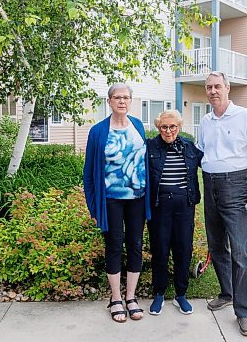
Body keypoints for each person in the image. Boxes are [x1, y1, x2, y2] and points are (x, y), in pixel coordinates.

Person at [197, 71, 247, 336]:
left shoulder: (245, 117)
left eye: (217, 86)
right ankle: (226, 292)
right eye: (208, 87)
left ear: (227, 88)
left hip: (237, 186)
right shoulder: (205, 121)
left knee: (239, 250)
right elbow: (200, 152)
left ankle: (244, 313)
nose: (213, 91)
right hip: (211, 185)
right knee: (216, 245)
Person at [83, 83, 151, 323]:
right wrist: (93, 207)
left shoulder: (138, 126)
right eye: (117, 97)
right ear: (109, 101)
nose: (122, 101)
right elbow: (89, 174)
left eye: (126, 97)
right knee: (114, 246)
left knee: (135, 245)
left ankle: (131, 297)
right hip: (110, 200)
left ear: (130, 101)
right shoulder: (98, 131)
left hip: (138, 199)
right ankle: (115, 299)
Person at [146, 110, 203, 316]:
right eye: (164, 127)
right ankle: (159, 293)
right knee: (160, 249)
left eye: (172, 127)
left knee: (183, 249)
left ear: (179, 127)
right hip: (160, 206)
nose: (168, 131)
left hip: (184, 206)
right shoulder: (150, 147)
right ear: (158, 128)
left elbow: (209, 163)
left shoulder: (189, 147)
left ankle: (181, 295)